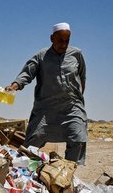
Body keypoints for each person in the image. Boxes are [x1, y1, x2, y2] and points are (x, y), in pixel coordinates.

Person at [5, 22, 87, 165]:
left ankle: (67, 174)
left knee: (78, 138)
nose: (63, 44)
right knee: (32, 142)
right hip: (46, 108)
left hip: (71, 107)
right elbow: (26, 74)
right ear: (52, 38)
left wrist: (77, 98)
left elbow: (82, 78)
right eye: (60, 40)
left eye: (67, 41)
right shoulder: (41, 56)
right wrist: (15, 85)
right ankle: (26, 170)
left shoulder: (77, 54)